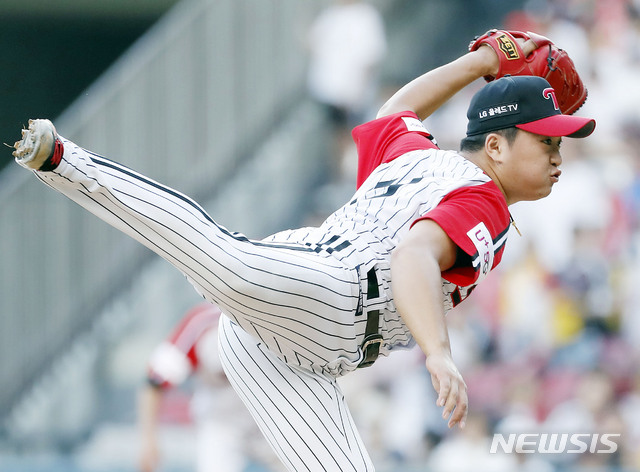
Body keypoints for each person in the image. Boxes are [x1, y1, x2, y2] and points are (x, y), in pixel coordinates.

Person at [12, 33, 595, 471]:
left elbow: (396, 108)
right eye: (547, 141)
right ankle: (65, 161)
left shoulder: (418, 151)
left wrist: (481, 64)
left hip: (299, 351)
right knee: (221, 259)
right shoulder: (486, 205)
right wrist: (439, 355)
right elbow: (413, 257)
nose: (557, 157)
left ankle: (68, 164)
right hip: (323, 290)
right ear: (495, 144)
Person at [138, 303, 273, 472]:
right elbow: (154, 383)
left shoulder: (276, 316)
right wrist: (148, 440)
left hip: (272, 420)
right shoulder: (203, 321)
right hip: (222, 423)